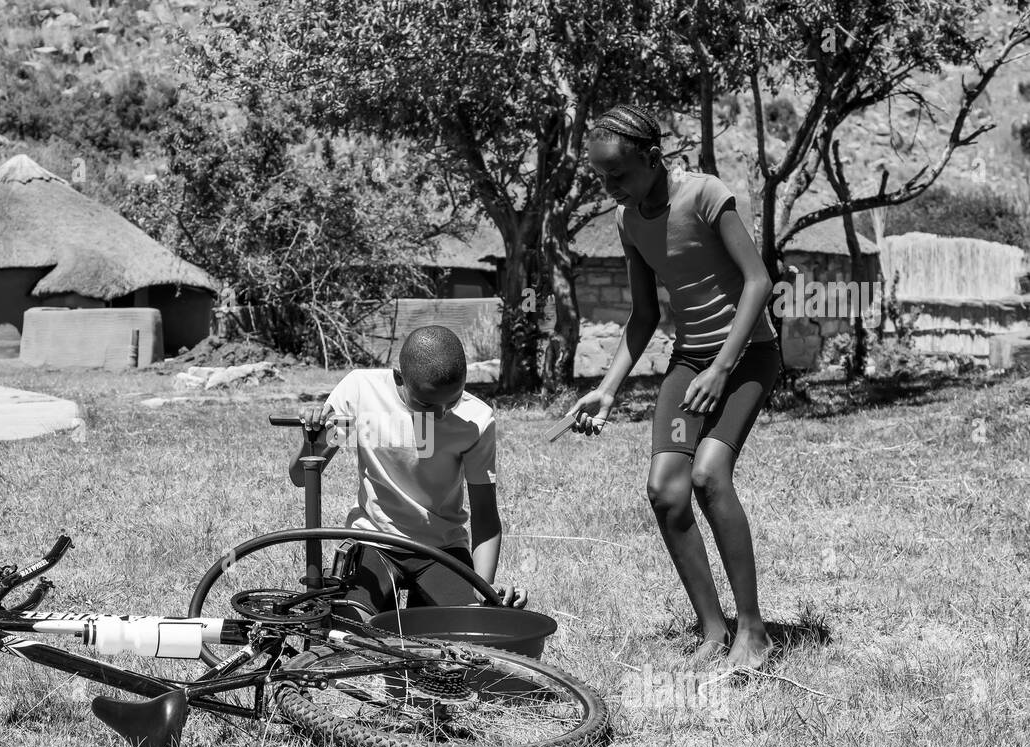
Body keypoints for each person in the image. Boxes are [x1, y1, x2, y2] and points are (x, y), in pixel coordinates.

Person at [569, 104, 780, 670]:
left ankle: (753, 631)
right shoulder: (628, 219)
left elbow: (760, 282)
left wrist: (721, 369)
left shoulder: (706, 195)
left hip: (748, 355)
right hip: (690, 359)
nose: (610, 186)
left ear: (652, 158)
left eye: (618, 174)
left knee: (710, 475)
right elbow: (643, 316)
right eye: (601, 177)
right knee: (665, 490)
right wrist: (609, 388)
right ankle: (714, 632)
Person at [291, 325, 527, 617]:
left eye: (452, 400)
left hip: (442, 549)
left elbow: (486, 516)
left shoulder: (475, 420)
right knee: (352, 634)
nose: (441, 414)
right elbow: (302, 476)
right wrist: (311, 439)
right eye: (428, 403)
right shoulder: (362, 393)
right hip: (374, 541)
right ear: (398, 376)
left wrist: (484, 586)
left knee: (463, 638)